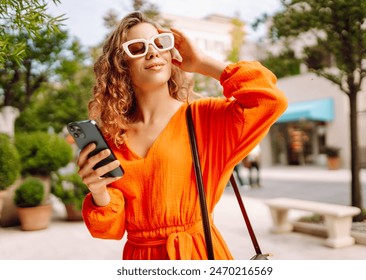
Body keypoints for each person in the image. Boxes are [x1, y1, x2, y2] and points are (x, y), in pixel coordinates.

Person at [77, 11, 288, 260]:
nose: (153, 52)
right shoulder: (113, 137)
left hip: (198, 253)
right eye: (137, 47)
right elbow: (109, 230)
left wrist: (201, 62)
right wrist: (98, 191)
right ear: (121, 64)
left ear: (171, 53)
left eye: (160, 43)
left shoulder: (204, 117)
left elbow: (270, 99)